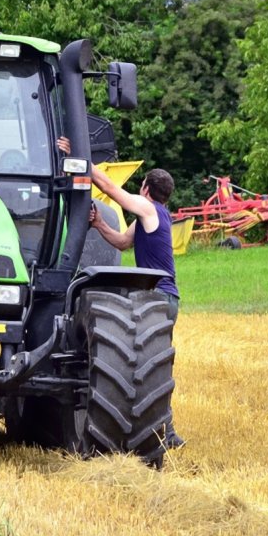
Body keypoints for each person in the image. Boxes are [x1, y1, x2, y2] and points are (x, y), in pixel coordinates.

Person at [88, 162, 185, 449]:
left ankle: (165, 431)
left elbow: (109, 188)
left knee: (152, 370)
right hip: (163, 299)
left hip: (160, 298)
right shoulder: (152, 217)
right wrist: (99, 224)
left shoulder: (148, 208)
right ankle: (166, 432)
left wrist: (85, 162)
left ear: (146, 189)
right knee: (152, 369)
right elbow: (121, 243)